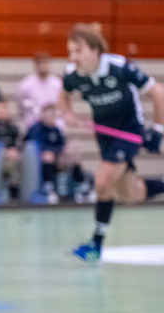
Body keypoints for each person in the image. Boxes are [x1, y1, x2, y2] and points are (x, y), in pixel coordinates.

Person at [59, 24, 164, 263]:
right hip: (104, 136)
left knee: (102, 181)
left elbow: (157, 92)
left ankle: (95, 245)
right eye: (70, 51)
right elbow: (63, 96)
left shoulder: (119, 68)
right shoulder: (72, 74)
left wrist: (157, 130)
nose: (72, 56)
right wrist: (69, 113)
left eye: (78, 50)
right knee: (131, 194)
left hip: (129, 131)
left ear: (96, 50)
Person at [24, 103, 65, 203]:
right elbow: (33, 144)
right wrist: (46, 152)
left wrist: (57, 152)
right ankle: (47, 188)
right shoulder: (36, 128)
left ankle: (82, 188)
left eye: (52, 115)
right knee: (47, 157)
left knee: (73, 157)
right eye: (48, 114)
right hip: (35, 157)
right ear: (42, 115)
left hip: (54, 155)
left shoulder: (56, 129)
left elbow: (61, 144)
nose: (50, 117)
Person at [17, 52, 62, 130]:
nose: (43, 66)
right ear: (36, 65)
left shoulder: (57, 84)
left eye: (45, 63)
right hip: (34, 126)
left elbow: (61, 106)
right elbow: (21, 106)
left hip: (54, 126)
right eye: (40, 63)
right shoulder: (26, 85)